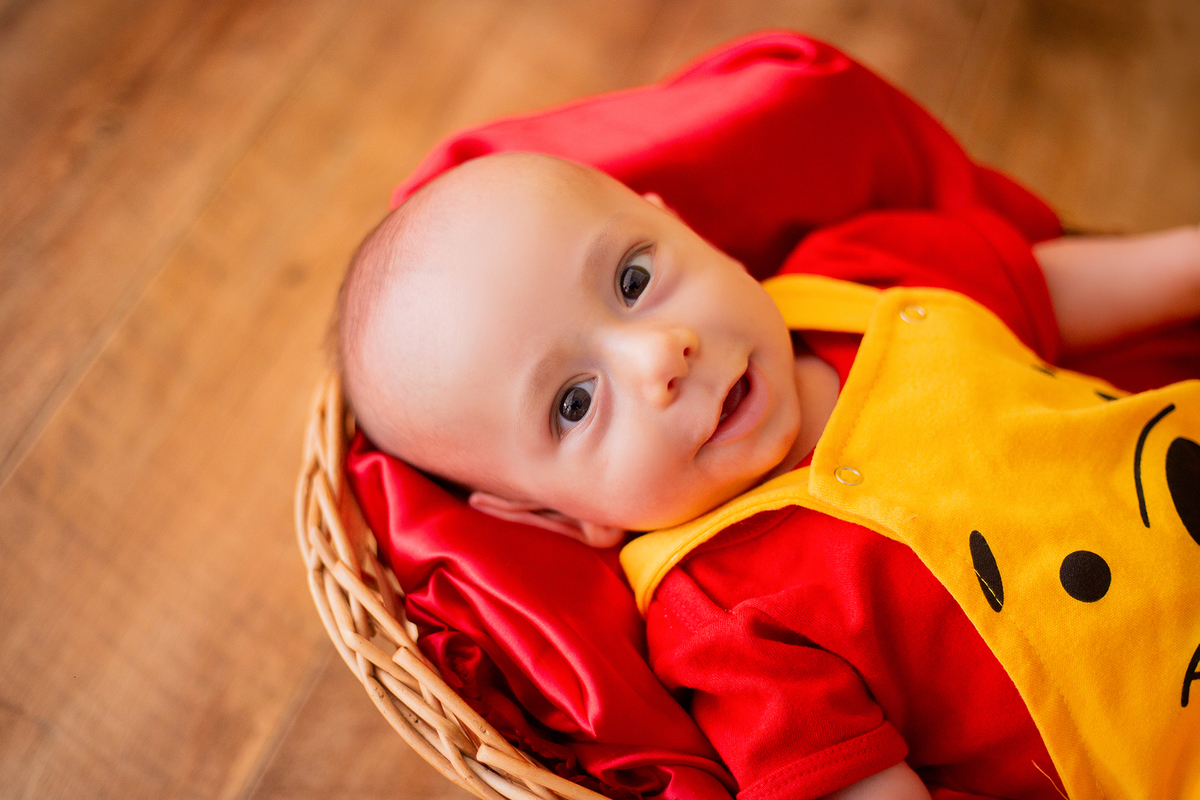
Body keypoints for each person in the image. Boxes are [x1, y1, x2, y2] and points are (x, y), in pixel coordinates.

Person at [336, 146, 1200, 800]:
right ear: (557, 515)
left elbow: (1045, 291)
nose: (658, 356)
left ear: (686, 229)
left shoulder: (851, 280)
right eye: (574, 403)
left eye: (634, 277)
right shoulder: (722, 620)